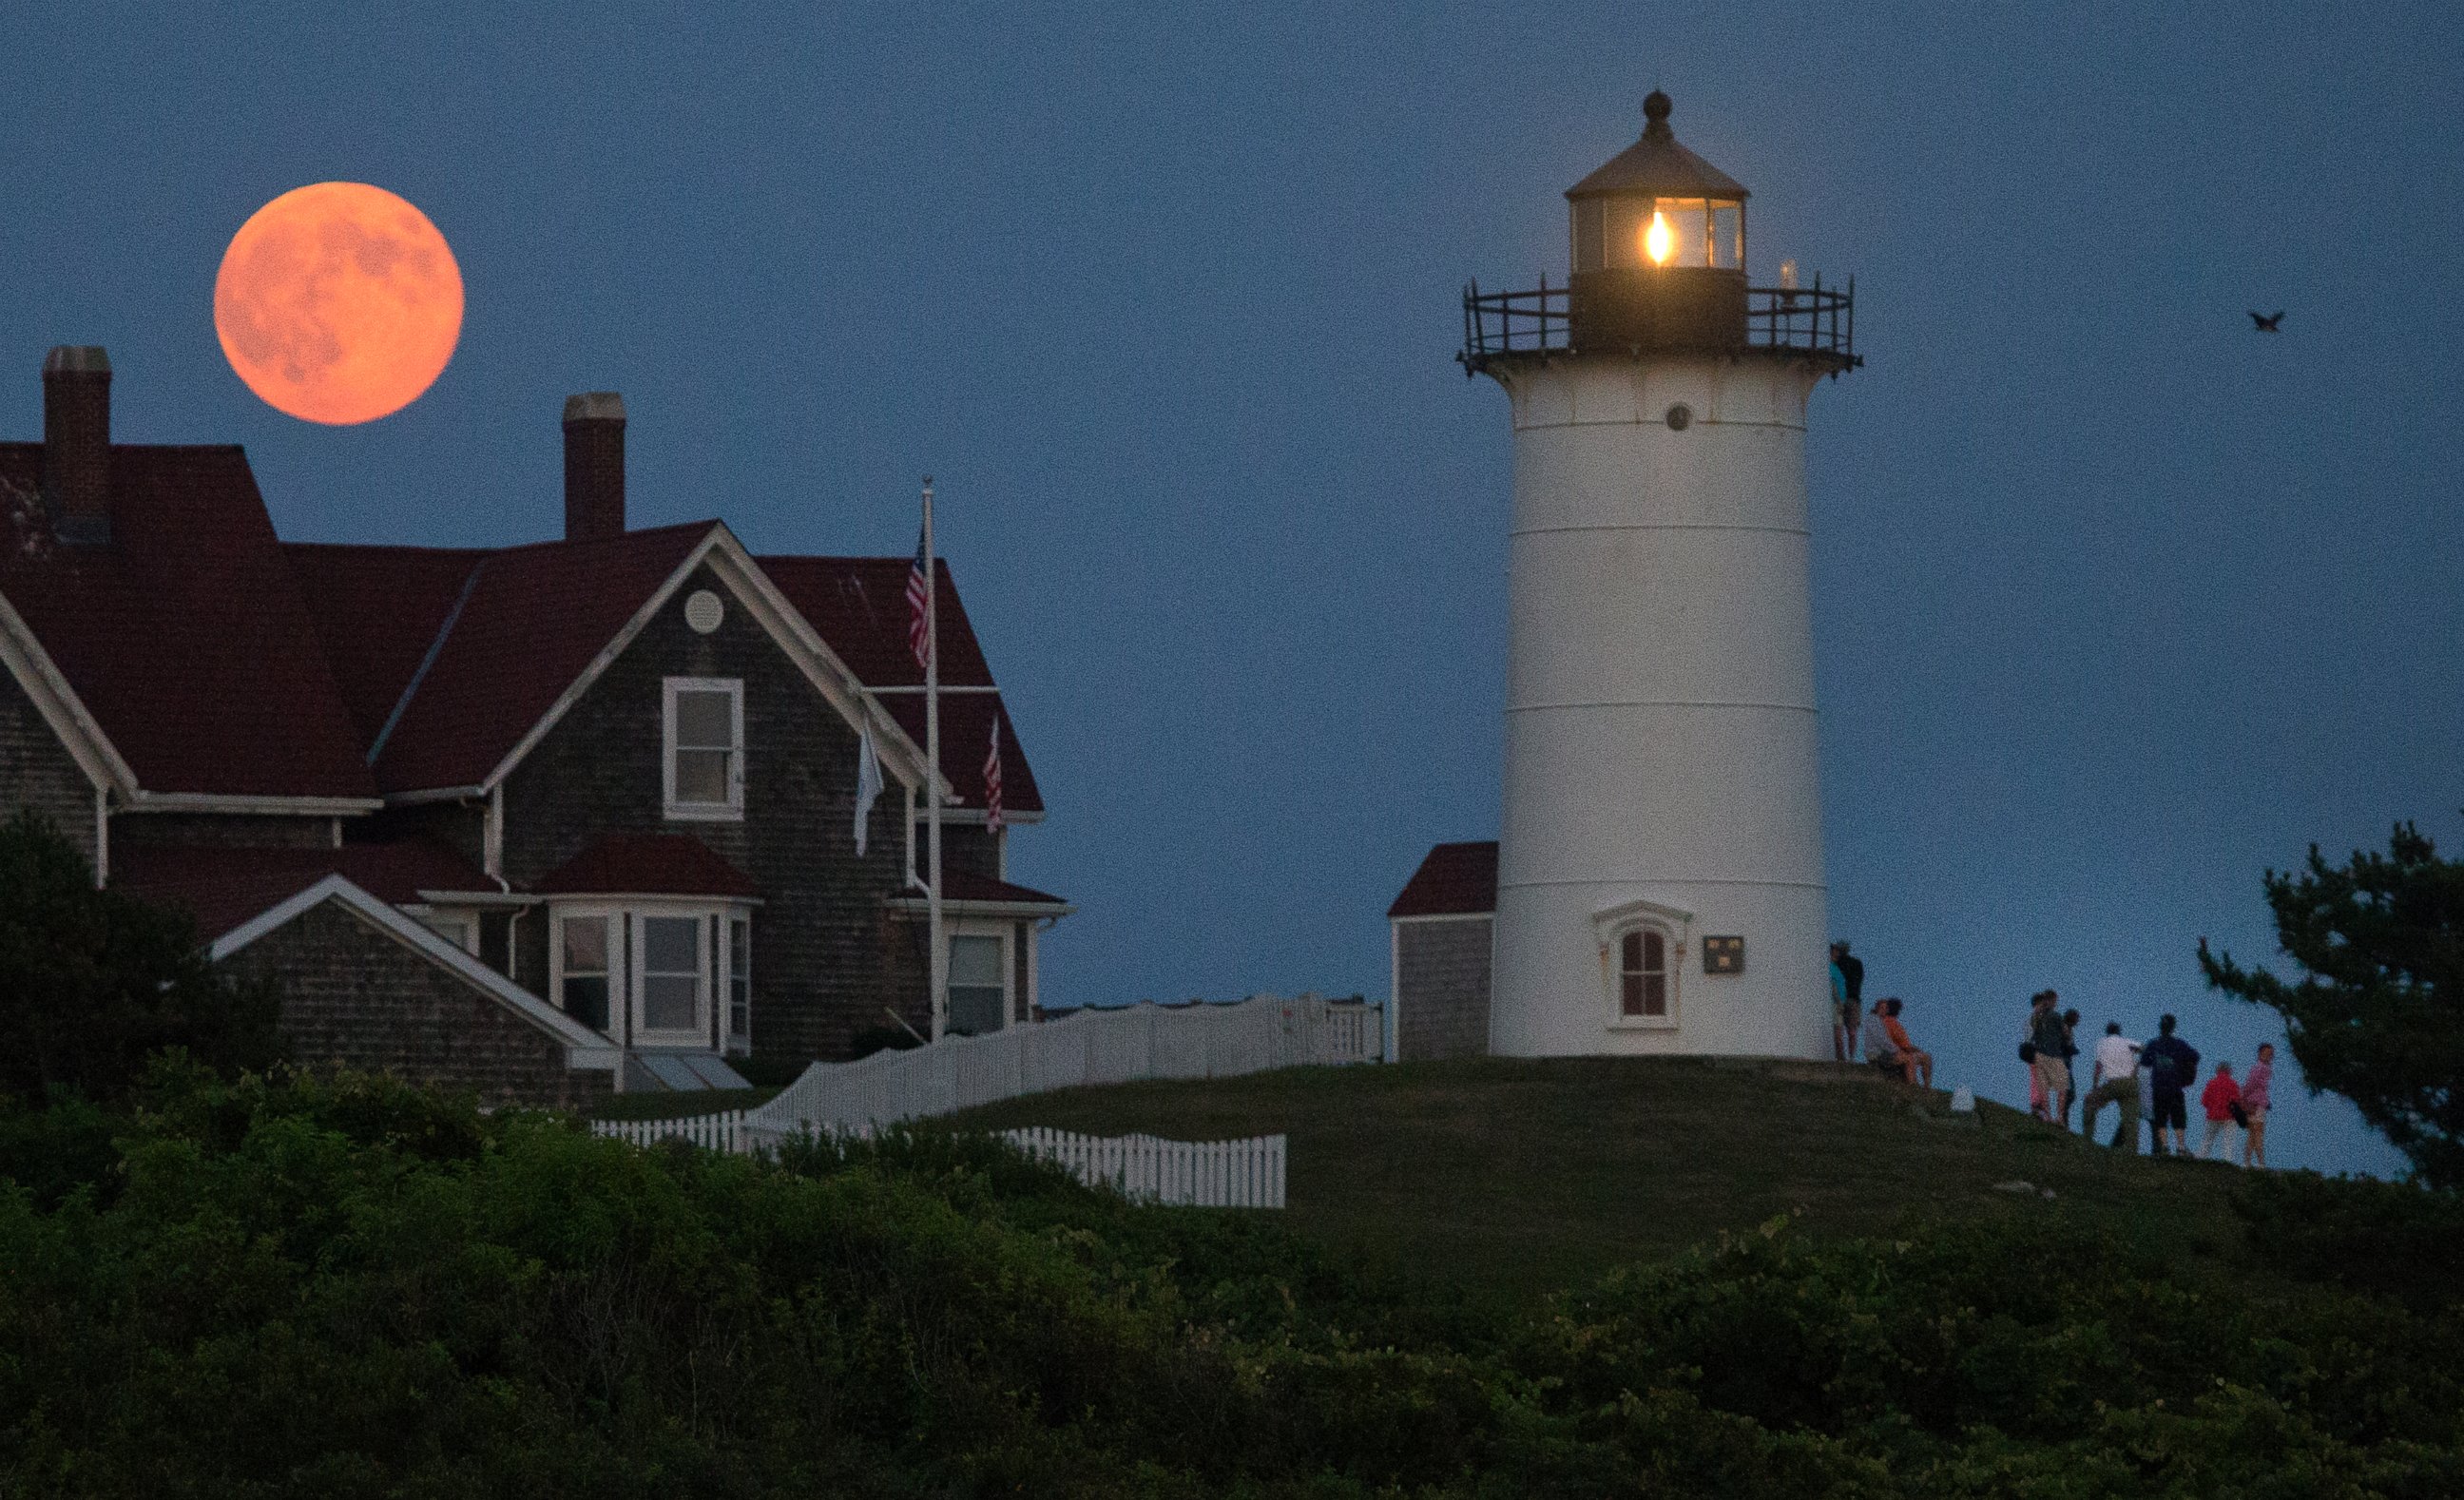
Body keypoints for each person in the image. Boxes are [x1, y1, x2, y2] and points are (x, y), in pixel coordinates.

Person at [2140, 1014, 2201, 1157]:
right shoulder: (2180, 1044)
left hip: (2159, 1087)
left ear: (2160, 1027)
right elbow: (2195, 1056)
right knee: (2178, 1118)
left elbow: (2145, 1062)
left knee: (2160, 1118)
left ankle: (2165, 1147)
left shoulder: (2153, 1044)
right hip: (2175, 1087)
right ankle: (2180, 1147)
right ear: (2173, 1028)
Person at [2081, 1021, 2142, 1150]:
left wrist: (2095, 1087)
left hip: (2113, 1084)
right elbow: (2145, 1050)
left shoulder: (2102, 1043)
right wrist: (2136, 1068)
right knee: (2131, 1118)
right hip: (2130, 1084)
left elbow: (2098, 1067)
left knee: (2089, 1103)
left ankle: (2087, 1140)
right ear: (2119, 1032)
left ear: (2107, 1032)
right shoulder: (2127, 1042)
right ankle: (2132, 1149)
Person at [2027, 990, 2069, 1125]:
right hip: (2052, 1055)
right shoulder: (2053, 1016)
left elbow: (2031, 1035)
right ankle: (2058, 1117)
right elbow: (2065, 1034)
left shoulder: (2035, 1017)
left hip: (2039, 1054)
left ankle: (2047, 1115)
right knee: (2061, 1087)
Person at [1878, 997, 1932, 1087]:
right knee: (1925, 1058)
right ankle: (1921, 1086)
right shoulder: (1892, 1023)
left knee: (1912, 1057)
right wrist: (1916, 1050)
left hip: (1887, 1053)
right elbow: (1905, 1046)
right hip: (1894, 1055)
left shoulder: (1883, 1022)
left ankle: (1918, 1084)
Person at [2200, 1061, 2243, 1161]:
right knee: (2228, 1142)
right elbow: (2236, 1101)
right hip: (2230, 1117)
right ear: (2229, 1071)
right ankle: (2228, 1162)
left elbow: (2204, 1101)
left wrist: (2212, 1107)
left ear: (2218, 1070)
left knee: (2207, 1140)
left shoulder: (2211, 1083)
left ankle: (2201, 1159)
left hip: (2213, 1116)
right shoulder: (2233, 1084)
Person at [2242, 1042, 2275, 1168]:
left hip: (2253, 1104)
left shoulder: (2261, 1068)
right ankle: (2261, 1163)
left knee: (2252, 1134)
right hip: (2256, 1105)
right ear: (2260, 1053)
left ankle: (2247, 1162)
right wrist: (2244, 1096)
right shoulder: (2262, 1068)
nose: (2268, 1056)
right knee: (2258, 1133)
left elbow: (2252, 1086)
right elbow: (2252, 1085)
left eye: (2270, 1054)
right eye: (2266, 1053)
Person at [1830, 941, 1863, 1062]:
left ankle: (1845, 1057)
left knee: (1843, 1030)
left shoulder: (1838, 964)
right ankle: (1850, 1057)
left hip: (1845, 999)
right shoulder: (1855, 963)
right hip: (1851, 999)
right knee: (1850, 1031)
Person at [2058, 1008, 2083, 1128]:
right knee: (2069, 1093)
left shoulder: (2069, 1030)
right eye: (2077, 1018)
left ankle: (2063, 1118)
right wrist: (2071, 1048)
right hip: (2062, 1064)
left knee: (2069, 1094)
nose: (2078, 1021)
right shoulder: (2064, 1028)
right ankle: (2062, 1118)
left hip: (2066, 1064)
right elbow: (2063, 1045)